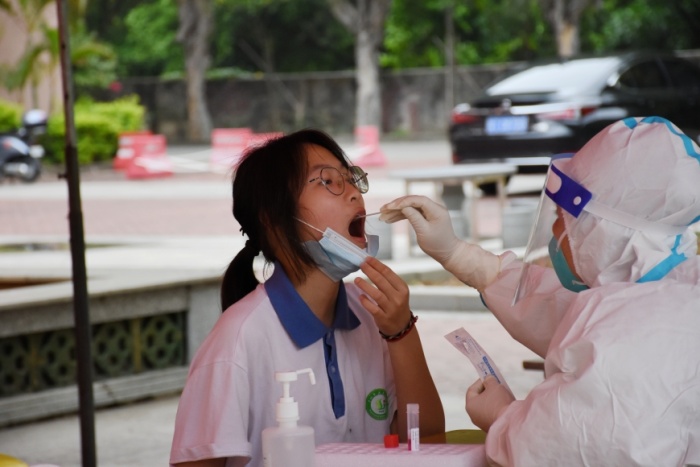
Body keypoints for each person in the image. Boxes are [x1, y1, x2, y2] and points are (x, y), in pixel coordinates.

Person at [380, 116, 700, 466]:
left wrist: (503, 418)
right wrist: (460, 256)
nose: (556, 228)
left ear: (602, 230)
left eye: (564, 217)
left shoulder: (627, 343)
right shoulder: (673, 290)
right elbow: (567, 314)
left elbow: (561, 448)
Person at [169, 128, 444, 467]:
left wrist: (401, 332)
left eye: (352, 179)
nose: (354, 194)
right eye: (327, 181)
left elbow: (428, 441)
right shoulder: (237, 341)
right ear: (274, 218)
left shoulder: (372, 314)